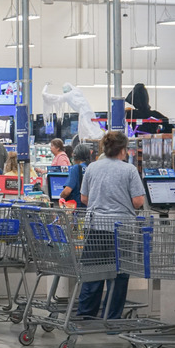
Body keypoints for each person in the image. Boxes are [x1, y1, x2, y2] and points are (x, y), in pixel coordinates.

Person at [76, 132, 145, 320]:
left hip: (95, 226)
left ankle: (86, 314)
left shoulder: (92, 168)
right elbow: (138, 201)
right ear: (123, 150)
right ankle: (111, 317)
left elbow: (84, 198)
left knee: (93, 273)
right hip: (121, 229)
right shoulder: (129, 170)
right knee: (119, 275)